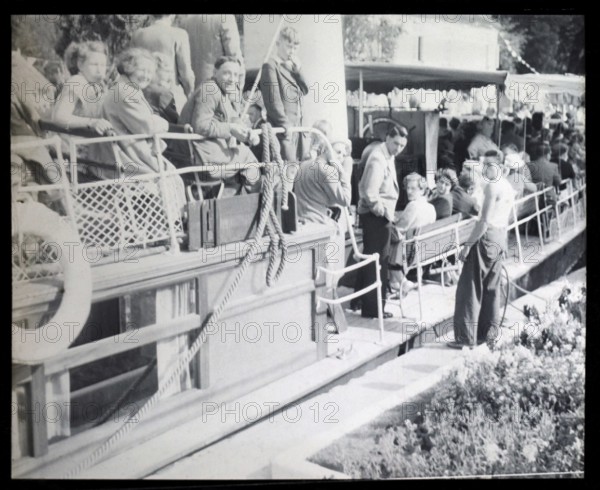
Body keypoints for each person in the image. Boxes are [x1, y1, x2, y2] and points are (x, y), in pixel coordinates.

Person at [449, 149, 515, 348]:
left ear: (500, 166)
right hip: (500, 235)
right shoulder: (507, 186)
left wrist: (467, 246)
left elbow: (483, 222)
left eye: (489, 165)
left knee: (469, 288)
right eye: (484, 165)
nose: (485, 169)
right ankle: (488, 335)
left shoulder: (492, 188)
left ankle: (465, 338)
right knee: (491, 289)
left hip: (486, 238)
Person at [175, 56, 261, 196]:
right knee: (248, 157)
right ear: (215, 72)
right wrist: (231, 129)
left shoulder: (220, 90)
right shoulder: (210, 90)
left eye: (235, 75)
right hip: (202, 156)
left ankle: (229, 202)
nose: (232, 79)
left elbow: (229, 118)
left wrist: (246, 131)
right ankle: (255, 203)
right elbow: (201, 126)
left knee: (242, 161)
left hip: (201, 153)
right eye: (227, 73)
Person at [354, 126, 408, 319]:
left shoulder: (387, 155)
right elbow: (370, 193)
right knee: (378, 264)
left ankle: (362, 303)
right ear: (387, 138)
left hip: (378, 218)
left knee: (373, 261)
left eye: (402, 145)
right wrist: (385, 214)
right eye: (396, 143)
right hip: (376, 218)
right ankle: (373, 309)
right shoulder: (378, 158)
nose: (398, 148)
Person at [259, 26, 309, 162]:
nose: (292, 51)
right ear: (278, 43)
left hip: (297, 129)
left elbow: (305, 90)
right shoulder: (270, 66)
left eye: (295, 48)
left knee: (298, 171)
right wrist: (285, 126)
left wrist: (298, 70)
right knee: (287, 171)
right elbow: (273, 101)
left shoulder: (291, 68)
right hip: (283, 130)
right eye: (288, 46)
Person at [130, 14, 195, 112]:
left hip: (144, 97)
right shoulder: (179, 34)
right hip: (170, 97)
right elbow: (186, 74)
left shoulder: (138, 35)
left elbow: (131, 68)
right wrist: (190, 96)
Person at [52, 41, 113, 141]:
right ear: (80, 65)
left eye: (103, 65)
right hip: (73, 145)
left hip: (90, 142)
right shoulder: (77, 82)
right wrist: (91, 123)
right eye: (94, 64)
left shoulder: (98, 86)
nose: (99, 70)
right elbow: (59, 117)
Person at [388, 173, 436, 296]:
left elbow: (400, 228)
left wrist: (390, 221)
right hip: (425, 249)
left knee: (386, 242)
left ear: (422, 190)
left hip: (409, 251)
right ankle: (395, 282)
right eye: (407, 188)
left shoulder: (413, 205)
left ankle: (402, 282)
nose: (409, 191)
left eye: (413, 188)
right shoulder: (431, 207)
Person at [180, 14, 245, 91]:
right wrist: (239, 86)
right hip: (217, 87)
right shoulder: (225, 18)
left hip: (192, 89)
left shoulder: (184, 22)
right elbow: (234, 56)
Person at [143, 52, 179, 125]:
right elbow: (175, 120)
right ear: (155, 70)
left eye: (171, 72)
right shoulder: (163, 93)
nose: (171, 77)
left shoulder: (142, 87)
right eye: (167, 71)